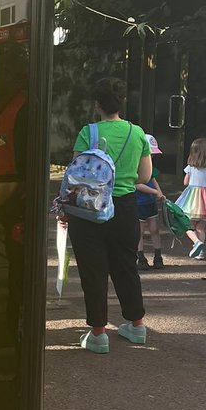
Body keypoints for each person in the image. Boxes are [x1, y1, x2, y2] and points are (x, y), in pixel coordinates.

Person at [64, 77, 152, 353]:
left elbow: (75, 176)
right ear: (121, 102)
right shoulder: (137, 133)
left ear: (97, 104)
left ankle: (98, 334)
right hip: (125, 206)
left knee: (94, 270)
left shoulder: (87, 132)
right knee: (126, 267)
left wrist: (65, 209)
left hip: (91, 208)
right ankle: (137, 326)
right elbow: (145, 176)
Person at [176, 137, 206, 259]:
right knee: (201, 227)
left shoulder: (191, 168)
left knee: (188, 225)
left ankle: (196, 243)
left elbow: (185, 183)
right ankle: (200, 252)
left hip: (192, 201)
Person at [136, 134, 165, 269]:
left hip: (150, 203)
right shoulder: (135, 167)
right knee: (139, 231)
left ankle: (158, 255)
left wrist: (160, 193)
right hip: (139, 203)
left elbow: (153, 180)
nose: (151, 157)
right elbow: (138, 185)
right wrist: (155, 192)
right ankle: (140, 257)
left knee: (154, 229)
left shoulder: (150, 166)